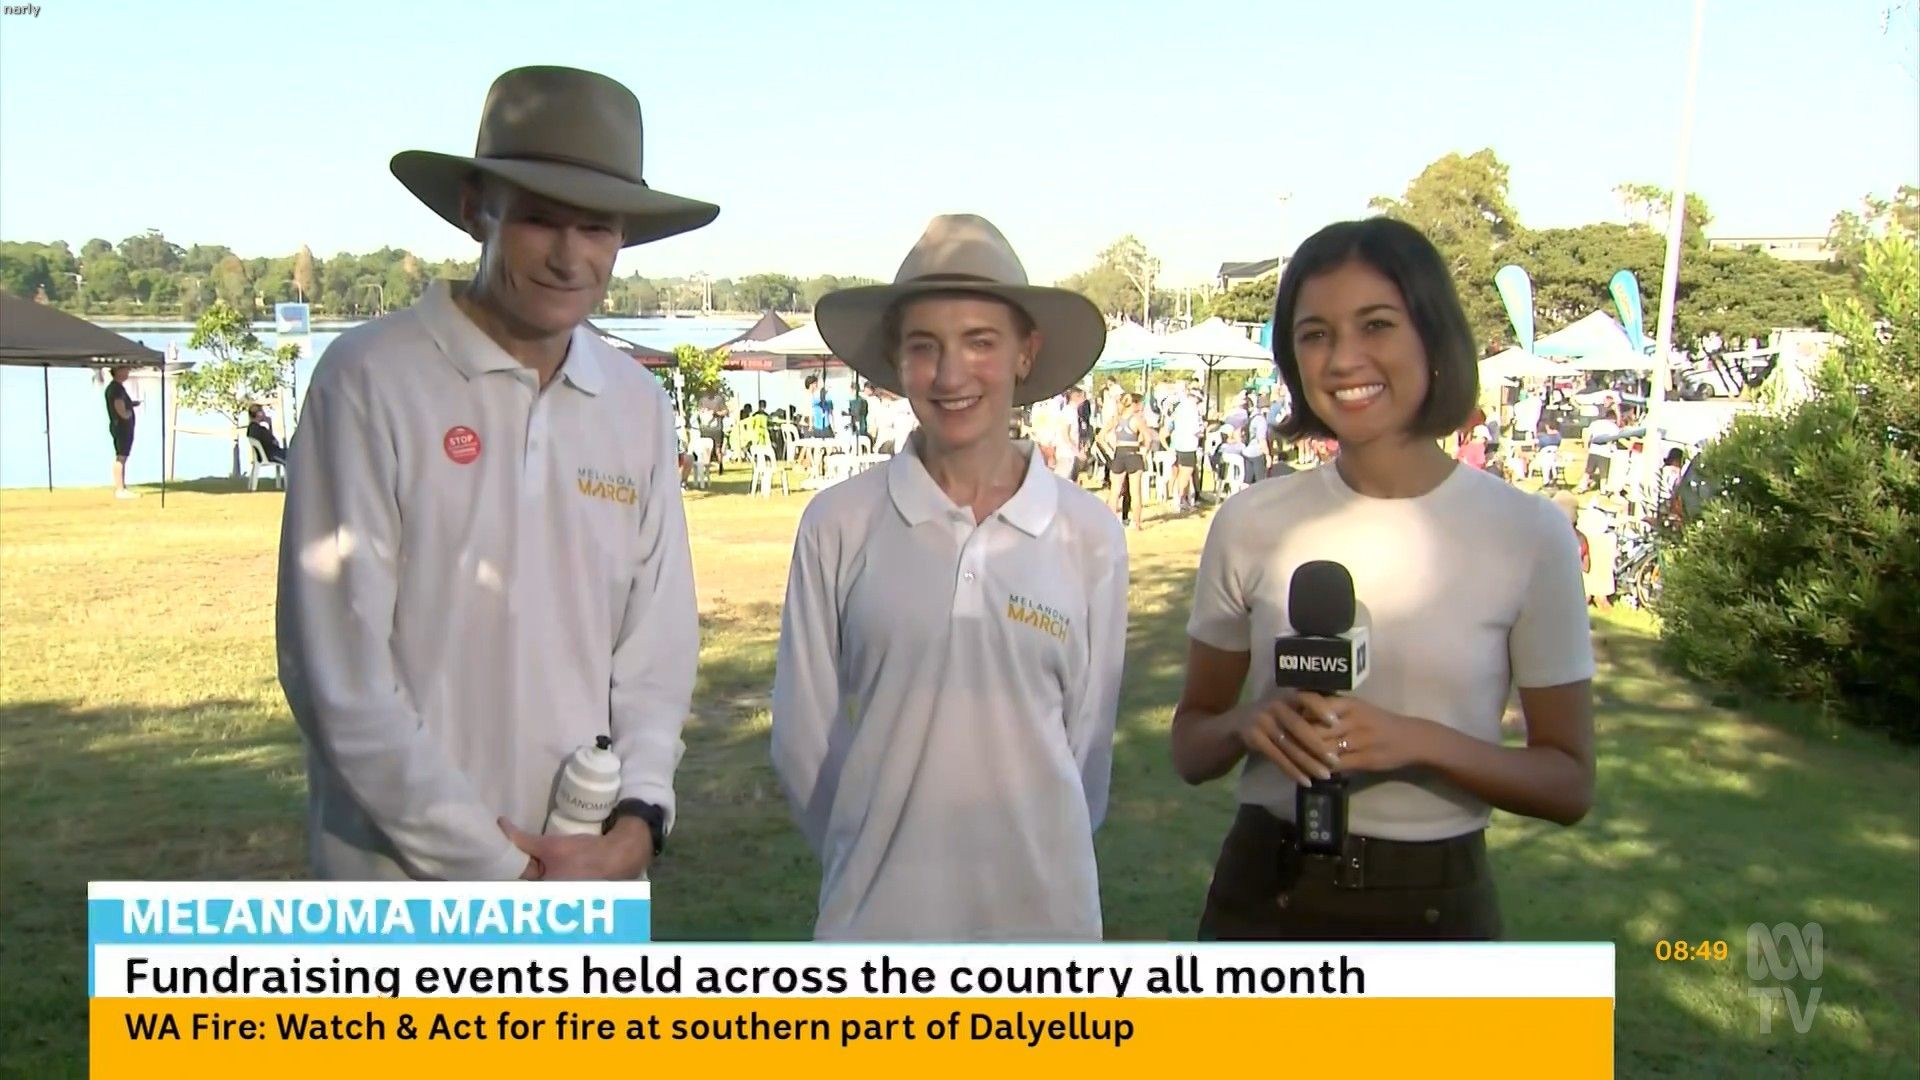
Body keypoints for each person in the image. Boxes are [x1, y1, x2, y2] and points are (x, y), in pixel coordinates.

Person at [276, 66, 716, 881]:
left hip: (587, 877)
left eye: (597, 228)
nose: (569, 257)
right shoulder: (371, 379)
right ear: (476, 208)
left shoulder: (636, 403)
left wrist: (639, 820)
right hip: (397, 895)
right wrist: (501, 871)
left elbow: (656, 650)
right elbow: (339, 677)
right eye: (540, 220)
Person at [1171, 217, 1595, 940]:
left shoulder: (1529, 534)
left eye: (1376, 325)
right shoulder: (1249, 522)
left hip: (1435, 902)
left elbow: (1568, 783)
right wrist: (1248, 723)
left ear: (1432, 336)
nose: (1344, 359)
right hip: (1262, 894)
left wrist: (1417, 742)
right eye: (1315, 334)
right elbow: (1190, 745)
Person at [772, 214, 1128, 941]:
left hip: (1046, 928)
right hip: (874, 928)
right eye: (924, 345)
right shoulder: (839, 522)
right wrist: (877, 846)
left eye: (980, 342)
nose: (950, 373)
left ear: (1026, 353)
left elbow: (1087, 749)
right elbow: (802, 742)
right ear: (897, 361)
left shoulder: (1089, 534)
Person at [1100, 391, 1151, 530]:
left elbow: (1100, 436)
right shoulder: (1137, 419)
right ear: (1133, 404)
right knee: (1135, 492)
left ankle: (1111, 522)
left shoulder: (1116, 419)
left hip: (1119, 453)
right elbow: (1148, 438)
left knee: (1115, 491)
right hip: (1133, 453)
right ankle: (1136, 523)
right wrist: (1144, 452)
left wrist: (1110, 451)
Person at [104, 366, 139, 499]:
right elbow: (119, 407)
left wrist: (131, 404)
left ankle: (121, 487)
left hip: (120, 426)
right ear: (118, 371)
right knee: (121, 456)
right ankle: (120, 490)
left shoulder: (117, 387)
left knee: (122, 456)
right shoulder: (116, 389)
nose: (127, 372)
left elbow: (121, 403)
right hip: (122, 427)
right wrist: (127, 414)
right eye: (125, 370)